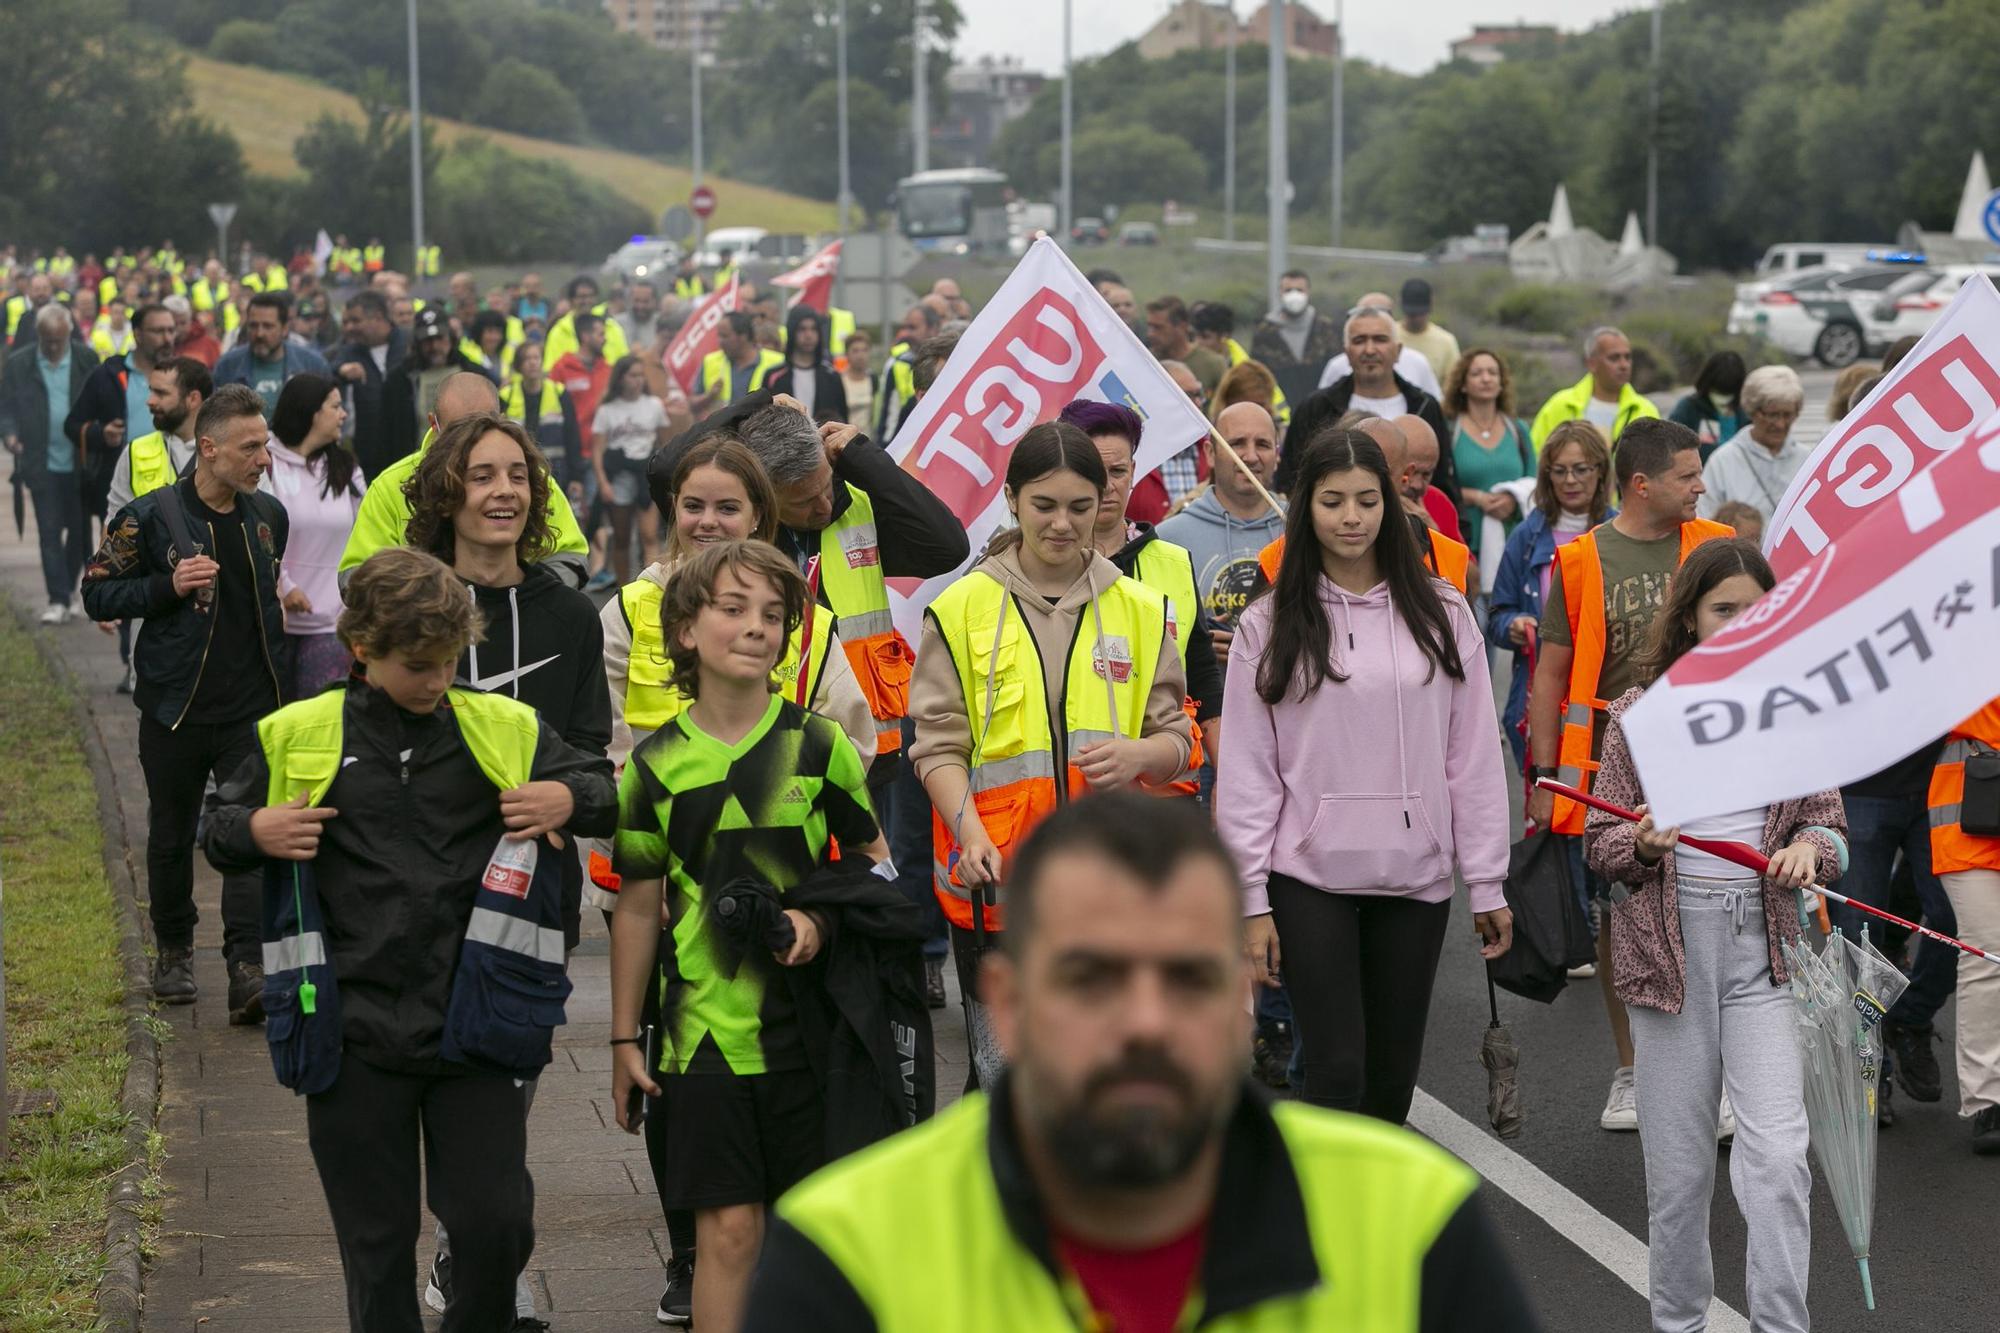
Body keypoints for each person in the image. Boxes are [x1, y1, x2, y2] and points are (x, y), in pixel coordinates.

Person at [743, 793, 1543, 1333]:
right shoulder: (843, 1251)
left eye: (1189, 976)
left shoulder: (1413, 1219)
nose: (1146, 1022)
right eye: (1093, 978)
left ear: (1243, 997)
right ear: (1007, 1005)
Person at [202, 546, 616, 1333]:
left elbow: (604, 790)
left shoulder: (502, 725)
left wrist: (566, 794)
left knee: (496, 1226)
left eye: (449, 662)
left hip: (477, 1027)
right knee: (378, 1249)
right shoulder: (299, 732)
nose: (437, 681)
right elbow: (217, 826)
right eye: (418, 665)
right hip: (351, 1033)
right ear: (362, 651)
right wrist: (254, 826)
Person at [596, 435, 873, 1325]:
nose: (755, 627)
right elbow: (637, 904)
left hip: (808, 1032)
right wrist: (622, 1039)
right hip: (699, 1037)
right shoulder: (654, 767)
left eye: (770, 615)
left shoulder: (821, 748)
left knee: (803, 1236)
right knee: (724, 1234)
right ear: (686, 630)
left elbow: (868, 872)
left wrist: (821, 927)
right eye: (732, 609)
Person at [1587, 538, 1845, 1332]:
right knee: (1679, 1174)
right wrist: (1642, 844)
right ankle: (1679, 1324)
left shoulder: (1793, 708)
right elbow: (1601, 842)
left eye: (1755, 608)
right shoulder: (1637, 717)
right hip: (1670, 961)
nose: (1740, 621)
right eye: (1723, 608)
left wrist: (1811, 848)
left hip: (1766, 957)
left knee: (1776, 1163)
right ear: (1691, 618)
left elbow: (1830, 830)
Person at [1222, 429, 1512, 1123]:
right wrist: (1251, 900)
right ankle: (1319, 1224)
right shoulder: (1270, 623)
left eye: (1366, 500)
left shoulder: (1443, 613)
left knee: (1390, 1082)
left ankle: (1370, 1226)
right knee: (1336, 1069)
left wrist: (1488, 879)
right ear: (1306, 510)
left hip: (1415, 876)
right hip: (1307, 875)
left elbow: (1470, 755)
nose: (1351, 517)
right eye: (1331, 501)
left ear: (1389, 504)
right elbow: (1247, 772)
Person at [404, 413, 612, 1323]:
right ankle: (474, 1246)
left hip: (533, 896)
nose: (503, 491)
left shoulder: (570, 612)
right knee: (436, 1079)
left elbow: (596, 755)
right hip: (419, 887)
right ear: (447, 489)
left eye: (518, 476)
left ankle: (471, 1249)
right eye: (482, 474)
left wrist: (564, 800)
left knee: (507, 1083)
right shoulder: (408, 598)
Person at [910, 422, 1194, 1087]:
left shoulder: (1144, 609)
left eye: (1079, 504)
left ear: (1104, 502)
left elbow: (1179, 741)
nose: (1062, 523)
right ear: (1012, 499)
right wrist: (968, 829)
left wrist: (1140, 754)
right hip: (997, 885)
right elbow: (936, 744)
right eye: (1044, 504)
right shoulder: (959, 608)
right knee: (1009, 1081)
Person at [1526, 418, 1733, 1132]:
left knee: (1720, 909)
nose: (1700, 484)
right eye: (1687, 474)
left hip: (1713, 753)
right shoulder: (1584, 559)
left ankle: (1722, 1076)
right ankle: (1632, 1071)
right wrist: (1545, 773)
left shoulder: (1716, 547)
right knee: (1625, 916)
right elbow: (1550, 674)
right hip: (1618, 766)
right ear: (1642, 484)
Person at [80, 385, 285, 1017]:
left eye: (266, 444)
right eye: (250, 447)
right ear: (209, 448)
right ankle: (173, 953)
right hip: (175, 707)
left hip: (253, 705)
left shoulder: (269, 516)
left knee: (247, 834)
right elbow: (97, 594)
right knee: (171, 836)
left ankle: (247, 968)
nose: (263, 459)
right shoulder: (149, 516)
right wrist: (166, 587)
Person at [1060, 399, 1221, 780]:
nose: (1107, 485)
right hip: (1072, 783)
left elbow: (1201, 675)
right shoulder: (1043, 567)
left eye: (1118, 471)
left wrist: (1226, 779)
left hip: (1165, 786)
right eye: (1093, 472)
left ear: (1134, 471)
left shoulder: (1174, 562)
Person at [339, 371, 593, 590]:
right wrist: (430, 605)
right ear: (434, 424)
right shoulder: (391, 485)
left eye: (483, 426)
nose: (471, 441)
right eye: (458, 432)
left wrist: (527, 603)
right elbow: (356, 578)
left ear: (501, 419)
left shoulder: (527, 476)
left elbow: (570, 556)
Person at [1485, 421, 1615, 773]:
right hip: (1539, 692)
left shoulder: (1620, 532)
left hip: (1603, 692)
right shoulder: (1526, 537)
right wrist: (1513, 624)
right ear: (1546, 476)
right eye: (1559, 471)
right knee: (1545, 798)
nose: (1570, 480)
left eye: (1580, 469)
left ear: (1601, 472)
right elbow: (1496, 614)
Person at [1159, 401, 1287, 670]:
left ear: (1277, 454)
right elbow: (1149, 635)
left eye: (1262, 444)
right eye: (1237, 443)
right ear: (1210, 453)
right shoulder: (1168, 538)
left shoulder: (1305, 530)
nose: (1250, 456)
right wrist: (1193, 646)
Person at [265, 374, 366, 701]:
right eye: (335, 406)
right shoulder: (265, 463)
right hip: (272, 623)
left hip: (331, 626)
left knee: (320, 721)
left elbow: (366, 533)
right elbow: (257, 532)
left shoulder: (346, 469)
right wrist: (284, 584)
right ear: (310, 412)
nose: (344, 414)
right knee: (273, 719)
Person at [1285, 306, 1452, 501]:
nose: (1370, 350)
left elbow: (1445, 483)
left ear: (1398, 350)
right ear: (1346, 352)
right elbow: (1292, 481)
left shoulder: (1425, 407)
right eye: (1359, 340)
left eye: (1380, 339)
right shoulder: (1315, 409)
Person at [1929, 699, 2000, 1154]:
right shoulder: (1965, 631)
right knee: (1988, 953)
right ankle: (1988, 1099)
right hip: (1973, 816)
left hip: (1979, 801)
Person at [1, 303, 100, 622]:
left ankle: (71, 589)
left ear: (70, 333)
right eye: (48, 340)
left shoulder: (86, 360)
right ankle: (57, 598)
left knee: (79, 531)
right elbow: (6, 409)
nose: (54, 347)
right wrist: (10, 435)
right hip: (39, 461)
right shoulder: (19, 364)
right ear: (39, 336)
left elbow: (101, 404)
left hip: (79, 462)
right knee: (47, 529)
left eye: (59, 340)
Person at [66, 302, 180, 536]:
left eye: (171, 330)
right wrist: (101, 434)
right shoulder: (107, 375)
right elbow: (72, 424)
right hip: (122, 488)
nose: (167, 338)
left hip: (174, 489)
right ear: (137, 334)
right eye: (158, 331)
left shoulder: (185, 376)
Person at [1443, 348, 1534, 565]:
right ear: (1462, 384)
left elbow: (1534, 481)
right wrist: (1477, 498)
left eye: (1492, 373)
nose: (1486, 379)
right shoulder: (1448, 431)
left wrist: (1513, 499)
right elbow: (1439, 485)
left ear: (1501, 382)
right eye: (1476, 374)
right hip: (1465, 544)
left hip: (1516, 545)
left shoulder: (1518, 430)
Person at [592, 354, 672, 585]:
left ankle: (651, 587)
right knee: (621, 538)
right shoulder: (608, 410)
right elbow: (598, 450)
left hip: (645, 476)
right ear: (620, 378)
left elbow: (664, 444)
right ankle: (622, 588)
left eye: (640, 375)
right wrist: (603, 483)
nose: (637, 380)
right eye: (632, 375)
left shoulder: (654, 405)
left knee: (649, 536)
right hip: (619, 477)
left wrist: (663, 478)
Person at [1697, 364, 1808, 526]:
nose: (1780, 424)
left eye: (1788, 415)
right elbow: (1705, 520)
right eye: (1772, 415)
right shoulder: (1723, 462)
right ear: (1752, 411)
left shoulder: (1806, 459)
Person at [383, 308, 482, 468]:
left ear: (451, 337)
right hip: (415, 465)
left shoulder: (473, 372)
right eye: (427, 340)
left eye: (439, 338)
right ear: (417, 343)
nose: (434, 346)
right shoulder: (400, 380)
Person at [1529, 327, 1659, 449]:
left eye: (1627, 357)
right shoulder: (1560, 405)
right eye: (1614, 358)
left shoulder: (1646, 410)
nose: (1624, 365)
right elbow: (1536, 455)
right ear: (1591, 363)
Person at [327, 290, 409, 480]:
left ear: (378, 317)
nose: (349, 328)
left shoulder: (409, 344)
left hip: (408, 451)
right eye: (346, 322)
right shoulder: (349, 352)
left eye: (356, 321)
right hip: (369, 459)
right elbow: (326, 373)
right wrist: (341, 372)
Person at [213, 292, 330, 415]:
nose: (259, 334)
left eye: (268, 326)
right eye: (253, 326)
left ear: (284, 329)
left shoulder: (313, 366)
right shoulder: (227, 367)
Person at [1315, 291, 1444, 400]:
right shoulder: (1336, 366)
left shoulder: (1418, 363)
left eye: (1379, 339)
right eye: (1363, 315)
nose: (1370, 350)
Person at [502, 341, 583, 500]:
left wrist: (576, 477)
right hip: (518, 471)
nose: (532, 362)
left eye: (536, 358)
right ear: (519, 365)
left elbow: (572, 436)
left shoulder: (559, 393)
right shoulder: (506, 396)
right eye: (527, 359)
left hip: (556, 471)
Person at [1249, 269, 1340, 379]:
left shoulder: (1326, 329)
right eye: (1288, 290)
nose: (1294, 295)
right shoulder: (1264, 332)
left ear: (1308, 292)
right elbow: (1257, 372)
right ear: (1280, 293)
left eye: (1299, 290)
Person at [767, 306, 848, 426]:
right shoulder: (774, 376)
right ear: (792, 332)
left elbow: (843, 419)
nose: (808, 335)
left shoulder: (832, 376)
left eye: (813, 329)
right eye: (802, 329)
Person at [1667, 350, 1747, 461]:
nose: (1722, 398)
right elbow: (1668, 447)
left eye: (1727, 393)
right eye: (1718, 392)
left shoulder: (1746, 415)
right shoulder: (1688, 408)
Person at [699, 312, 786, 413]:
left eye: (725, 336)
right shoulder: (711, 361)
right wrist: (709, 397)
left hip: (761, 427)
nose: (720, 341)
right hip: (721, 428)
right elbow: (691, 404)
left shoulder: (777, 361)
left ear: (743, 336)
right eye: (719, 336)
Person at [1145, 296, 1226, 397]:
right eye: (1150, 326)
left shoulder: (1213, 364)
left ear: (1181, 326)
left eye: (1158, 328)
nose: (1151, 334)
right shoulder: (1145, 363)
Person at [542, 274, 630, 367]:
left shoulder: (611, 328)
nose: (586, 301)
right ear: (572, 300)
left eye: (590, 296)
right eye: (582, 297)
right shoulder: (559, 332)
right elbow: (550, 370)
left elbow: (623, 364)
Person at [1395, 278, 1461, 387]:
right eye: (1411, 313)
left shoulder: (1446, 342)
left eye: (1420, 313)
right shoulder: (1388, 336)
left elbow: (1453, 384)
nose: (1416, 318)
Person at [165, 294, 222, 368]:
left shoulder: (209, 345)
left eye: (183, 323)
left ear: (190, 320)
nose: (179, 328)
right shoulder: (156, 345)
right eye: (174, 324)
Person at [837, 326, 875, 429]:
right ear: (847, 354)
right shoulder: (839, 380)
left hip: (869, 441)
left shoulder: (873, 379)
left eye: (864, 350)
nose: (860, 355)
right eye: (855, 351)